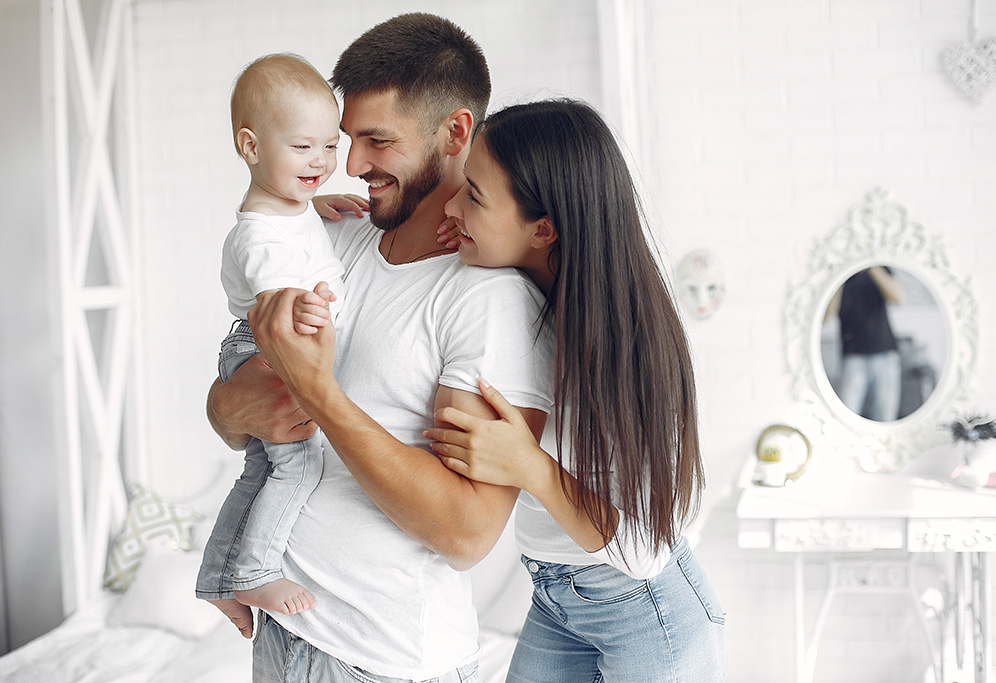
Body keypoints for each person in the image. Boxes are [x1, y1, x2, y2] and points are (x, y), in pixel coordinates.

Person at [205, 13, 552, 683]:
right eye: (345, 139)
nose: (352, 163)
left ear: (454, 132)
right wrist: (232, 406)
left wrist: (320, 395)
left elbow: (466, 532)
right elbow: (229, 417)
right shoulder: (332, 239)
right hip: (283, 638)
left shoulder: (492, 302)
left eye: (376, 140)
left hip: (381, 661)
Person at [425, 99, 727, 681]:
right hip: (556, 599)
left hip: (648, 613)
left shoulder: (626, 345)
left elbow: (641, 552)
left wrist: (530, 466)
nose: (452, 204)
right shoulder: (522, 294)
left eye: (475, 197)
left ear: (544, 228)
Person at [196, 52, 370, 624]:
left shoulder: (283, 212)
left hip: (255, 346)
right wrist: (312, 307)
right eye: (303, 148)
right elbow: (278, 308)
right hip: (268, 352)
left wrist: (309, 205)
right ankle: (255, 573)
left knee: (259, 471)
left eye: (328, 146)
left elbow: (273, 219)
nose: (321, 161)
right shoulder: (262, 241)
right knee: (298, 468)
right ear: (250, 147)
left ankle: (221, 575)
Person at [824, 266, 904, 421]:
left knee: (885, 418)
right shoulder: (840, 278)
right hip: (852, 358)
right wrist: (840, 276)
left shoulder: (879, 269)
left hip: (885, 355)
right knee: (845, 416)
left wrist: (871, 266)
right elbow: (825, 317)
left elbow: (899, 298)